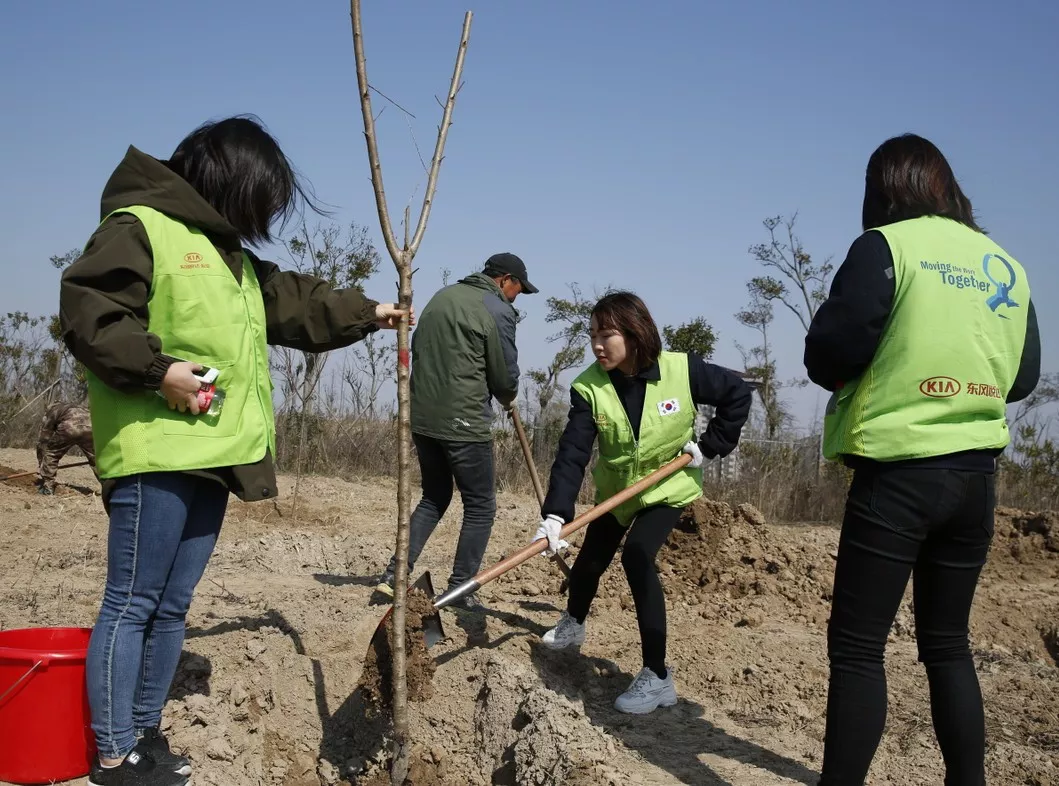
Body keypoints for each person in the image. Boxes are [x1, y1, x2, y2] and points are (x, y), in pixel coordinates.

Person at [60, 116, 411, 786]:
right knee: (133, 601)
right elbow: (91, 311)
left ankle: (144, 735)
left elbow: (296, 302)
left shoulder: (232, 259)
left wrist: (372, 311)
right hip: (154, 450)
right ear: (228, 181)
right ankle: (113, 756)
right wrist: (159, 370)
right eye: (261, 201)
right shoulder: (139, 227)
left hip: (213, 453)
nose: (264, 217)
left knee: (171, 606)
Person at [804, 134, 1041, 785]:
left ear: (881, 188)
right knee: (946, 646)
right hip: (973, 484)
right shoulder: (1004, 264)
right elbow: (1022, 378)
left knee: (857, 651)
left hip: (898, 475)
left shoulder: (885, 248)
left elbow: (832, 348)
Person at [536, 291, 752, 714]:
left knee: (637, 555)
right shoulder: (588, 387)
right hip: (619, 491)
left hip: (669, 487)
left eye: (607, 335)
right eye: (592, 335)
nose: (597, 345)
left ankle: (657, 677)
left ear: (635, 334)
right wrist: (556, 513)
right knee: (591, 559)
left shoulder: (681, 370)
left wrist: (712, 444)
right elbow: (573, 453)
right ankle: (573, 625)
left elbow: (737, 395)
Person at [375, 253, 537, 611]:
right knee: (480, 505)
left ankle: (392, 578)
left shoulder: (442, 296)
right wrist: (508, 396)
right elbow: (504, 374)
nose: (516, 297)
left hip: (422, 418)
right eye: (517, 289)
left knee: (435, 496)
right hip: (464, 421)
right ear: (503, 280)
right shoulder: (497, 309)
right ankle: (461, 589)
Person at [36, 400, 98, 494]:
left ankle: (47, 487)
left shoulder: (52, 410)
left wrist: (41, 464)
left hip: (69, 428)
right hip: (91, 427)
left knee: (51, 453)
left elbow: (43, 439)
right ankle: (110, 486)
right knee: (96, 459)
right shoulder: (76, 408)